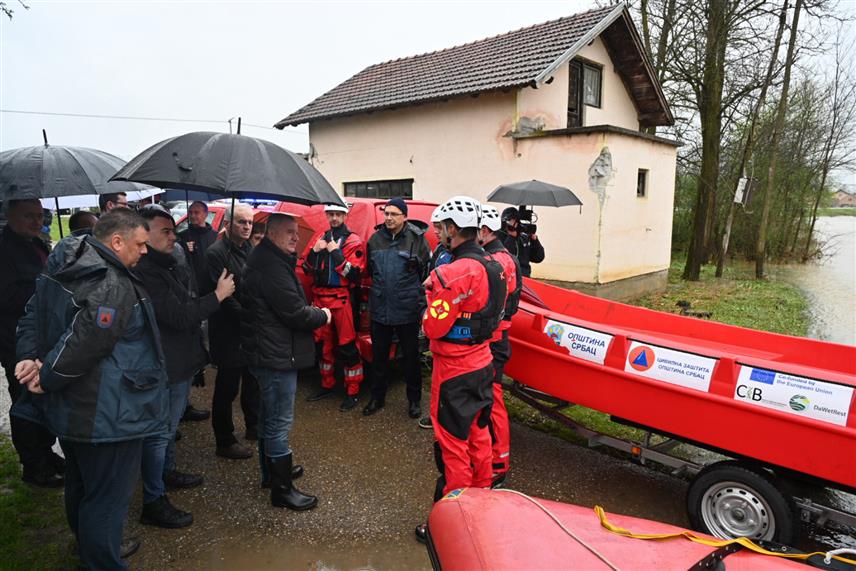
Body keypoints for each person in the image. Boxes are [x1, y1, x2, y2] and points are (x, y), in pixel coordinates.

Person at [12, 209, 168, 570]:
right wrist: (44, 376)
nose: (144, 252)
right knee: (107, 500)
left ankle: (90, 549)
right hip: (107, 414)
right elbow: (85, 344)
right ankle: (101, 560)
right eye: (140, 244)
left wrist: (30, 358)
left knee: (81, 486)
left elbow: (35, 313)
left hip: (75, 409)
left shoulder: (66, 258)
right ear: (116, 241)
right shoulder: (110, 283)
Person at [135, 204, 236, 528]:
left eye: (172, 228)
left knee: (167, 429)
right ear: (143, 233)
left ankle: (167, 473)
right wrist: (218, 296)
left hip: (179, 360)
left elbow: (187, 300)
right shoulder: (146, 271)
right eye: (164, 230)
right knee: (158, 433)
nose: (172, 235)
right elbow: (179, 315)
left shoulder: (166, 263)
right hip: (166, 361)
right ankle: (153, 499)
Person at [416, 195, 506, 542]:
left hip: (454, 370)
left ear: (453, 230)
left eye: (440, 229)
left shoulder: (455, 271)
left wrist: (431, 298)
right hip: (484, 362)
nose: (438, 234)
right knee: (480, 437)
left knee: (453, 448)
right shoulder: (496, 265)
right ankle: (482, 504)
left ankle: (452, 524)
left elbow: (434, 326)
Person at [241, 214, 330, 509]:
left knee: (269, 418)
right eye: (289, 232)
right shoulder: (271, 266)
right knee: (278, 422)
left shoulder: (269, 259)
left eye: (296, 232)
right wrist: (323, 315)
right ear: (271, 233)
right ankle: (281, 490)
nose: (296, 238)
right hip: (276, 355)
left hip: (269, 350)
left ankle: (271, 474)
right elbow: (294, 313)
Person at [0, 199, 62, 487]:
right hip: (15, 339)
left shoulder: (37, 243)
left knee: (42, 398)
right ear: (10, 215)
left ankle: (45, 453)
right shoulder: (4, 250)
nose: (37, 222)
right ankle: (34, 466)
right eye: (29, 216)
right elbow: (7, 297)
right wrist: (43, 289)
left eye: (41, 215)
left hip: (40, 336)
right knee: (25, 402)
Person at [362, 197, 431, 418]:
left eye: (394, 214)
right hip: (381, 308)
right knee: (379, 358)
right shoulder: (375, 240)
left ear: (405, 216)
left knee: (410, 359)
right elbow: (372, 272)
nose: (389, 218)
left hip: (407, 309)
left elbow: (424, 274)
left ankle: (414, 401)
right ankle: (377, 398)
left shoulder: (417, 240)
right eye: (387, 213)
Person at [203, 203, 260, 459]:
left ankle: (254, 425)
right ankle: (224, 440)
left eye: (249, 222)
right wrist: (248, 317)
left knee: (252, 380)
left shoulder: (248, 248)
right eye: (241, 222)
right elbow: (224, 298)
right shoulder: (216, 253)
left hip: (249, 328)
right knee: (227, 387)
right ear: (227, 224)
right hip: (227, 329)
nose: (247, 227)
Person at [303, 203, 366, 412]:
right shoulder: (320, 237)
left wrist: (335, 252)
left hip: (341, 300)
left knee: (348, 347)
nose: (334, 218)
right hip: (320, 299)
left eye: (338, 214)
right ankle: (326, 385)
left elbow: (354, 274)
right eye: (331, 214)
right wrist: (314, 251)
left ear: (345, 216)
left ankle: (353, 391)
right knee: (322, 346)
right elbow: (306, 267)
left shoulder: (353, 240)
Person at [478, 204, 523, 487]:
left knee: (493, 402)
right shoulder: (499, 256)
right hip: (495, 338)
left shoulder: (499, 261)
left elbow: (492, 304)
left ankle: (499, 463)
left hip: (495, 340)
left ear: (484, 230)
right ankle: (492, 458)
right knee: (489, 400)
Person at [177, 200, 219, 410]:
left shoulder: (215, 236)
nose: (193, 216)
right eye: (190, 213)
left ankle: (215, 357)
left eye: (197, 213)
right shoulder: (183, 237)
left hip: (212, 288)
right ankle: (198, 366)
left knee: (215, 327)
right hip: (192, 290)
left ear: (205, 214)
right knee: (196, 330)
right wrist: (185, 249)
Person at [418, 206, 454, 430]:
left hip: (446, 319)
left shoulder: (456, 255)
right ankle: (436, 414)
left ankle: (443, 416)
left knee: (448, 377)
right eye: (434, 228)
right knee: (438, 373)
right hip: (434, 312)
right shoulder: (440, 249)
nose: (436, 232)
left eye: (439, 228)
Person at [499, 207, 545, 277]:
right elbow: (505, 258)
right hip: (509, 277)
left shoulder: (523, 237)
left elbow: (538, 257)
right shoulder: (499, 237)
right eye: (511, 222)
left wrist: (535, 240)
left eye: (517, 222)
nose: (515, 225)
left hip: (525, 278)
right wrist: (511, 237)